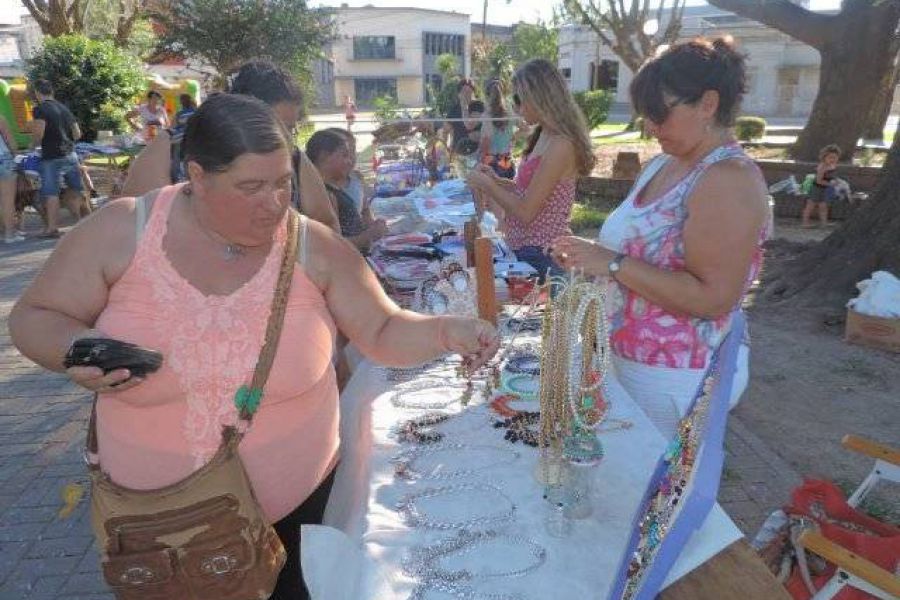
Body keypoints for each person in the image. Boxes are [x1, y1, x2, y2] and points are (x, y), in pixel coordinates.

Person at [8, 93, 499, 600]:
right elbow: (34, 319)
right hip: (159, 528)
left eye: (283, 183)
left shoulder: (314, 246)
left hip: (297, 518)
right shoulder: (121, 231)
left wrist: (446, 332)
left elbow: (381, 329)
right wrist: (77, 349)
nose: (273, 204)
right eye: (250, 187)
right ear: (197, 177)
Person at [549, 37, 770, 437]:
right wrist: (589, 261)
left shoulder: (727, 179)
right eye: (645, 115)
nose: (650, 127)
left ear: (708, 103)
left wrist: (612, 264)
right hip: (627, 361)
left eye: (659, 114)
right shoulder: (664, 164)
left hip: (676, 376)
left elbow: (713, 299)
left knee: (652, 492)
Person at [121, 61, 340, 234]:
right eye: (275, 126)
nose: (282, 140)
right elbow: (135, 228)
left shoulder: (293, 158)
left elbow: (326, 226)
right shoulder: (172, 148)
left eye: (289, 129)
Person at [466, 59, 595, 282]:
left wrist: (487, 185)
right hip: (527, 251)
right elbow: (531, 190)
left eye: (518, 99)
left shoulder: (561, 144)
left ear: (538, 97)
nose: (515, 107)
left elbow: (527, 212)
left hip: (544, 258)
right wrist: (497, 181)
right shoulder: (543, 133)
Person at [306, 129, 387, 253]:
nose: (350, 161)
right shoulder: (324, 195)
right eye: (344, 155)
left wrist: (372, 228)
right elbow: (332, 247)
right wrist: (370, 235)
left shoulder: (334, 189)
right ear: (324, 156)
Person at [29, 79, 85, 238]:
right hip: (70, 154)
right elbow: (77, 133)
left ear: (38, 93)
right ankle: (85, 223)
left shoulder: (40, 109)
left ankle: (52, 228)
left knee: (51, 192)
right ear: (52, 92)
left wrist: (32, 146)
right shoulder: (64, 108)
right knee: (77, 189)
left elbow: (39, 133)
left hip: (51, 156)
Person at [326, 127, 367, 215]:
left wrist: (374, 225)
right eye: (345, 153)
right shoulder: (322, 188)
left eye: (353, 151)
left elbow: (365, 211)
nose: (351, 157)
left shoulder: (357, 178)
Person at [479, 81, 517, 179]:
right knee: (506, 189)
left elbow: (486, 141)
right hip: (506, 158)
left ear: (487, 96)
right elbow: (526, 129)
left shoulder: (487, 115)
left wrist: (481, 160)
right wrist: (513, 137)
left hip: (491, 160)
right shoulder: (509, 111)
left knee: (491, 190)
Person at [801, 143, 841, 228]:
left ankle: (824, 223)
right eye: (830, 158)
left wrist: (836, 180)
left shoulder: (832, 166)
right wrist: (830, 184)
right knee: (810, 206)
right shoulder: (822, 167)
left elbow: (832, 175)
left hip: (825, 189)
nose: (832, 160)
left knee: (823, 206)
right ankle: (805, 222)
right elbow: (819, 181)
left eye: (835, 158)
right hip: (816, 188)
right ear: (824, 157)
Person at [0, 115, 22, 243]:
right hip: (3, 159)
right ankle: (9, 235)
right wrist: (17, 155)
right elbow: (10, 141)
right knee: (7, 201)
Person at [444, 78, 477, 156]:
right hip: (458, 152)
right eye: (464, 92)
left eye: (469, 92)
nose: (467, 95)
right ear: (459, 94)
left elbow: (471, 126)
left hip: (476, 153)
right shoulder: (453, 110)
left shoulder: (479, 107)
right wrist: (446, 150)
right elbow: (445, 131)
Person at [169, 93, 198, 183]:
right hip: (192, 139)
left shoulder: (179, 113)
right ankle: (190, 177)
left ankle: (176, 178)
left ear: (181, 102)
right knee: (190, 158)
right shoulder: (196, 112)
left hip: (179, 139)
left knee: (177, 158)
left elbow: (173, 126)